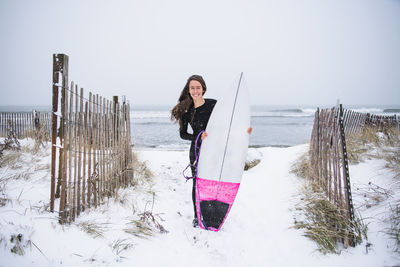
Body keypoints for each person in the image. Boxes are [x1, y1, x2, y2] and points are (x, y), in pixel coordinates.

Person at [171, 74, 216, 227]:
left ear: (203, 89)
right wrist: (198, 136)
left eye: (198, 87)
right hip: (197, 150)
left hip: (214, 148)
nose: (195, 90)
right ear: (189, 90)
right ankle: (197, 216)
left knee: (212, 182)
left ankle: (212, 213)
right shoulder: (187, 110)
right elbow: (183, 134)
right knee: (197, 183)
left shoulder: (213, 104)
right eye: (192, 88)